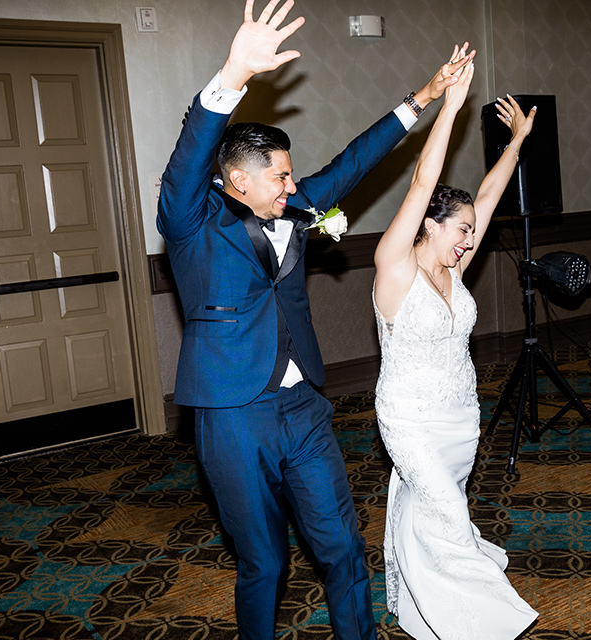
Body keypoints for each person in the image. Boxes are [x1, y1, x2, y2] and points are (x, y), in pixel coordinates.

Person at [156, 1, 468, 637]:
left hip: (303, 410)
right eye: (278, 175)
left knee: (343, 550)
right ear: (235, 180)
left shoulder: (293, 208)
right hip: (232, 415)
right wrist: (233, 76)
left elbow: (355, 160)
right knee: (264, 564)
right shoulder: (192, 222)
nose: (291, 184)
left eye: (291, 172)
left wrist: (428, 95)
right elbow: (187, 162)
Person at [371, 45, 539, 640]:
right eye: (462, 230)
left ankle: (416, 603)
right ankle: (484, 622)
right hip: (411, 417)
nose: (471, 240)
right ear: (429, 226)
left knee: (430, 508)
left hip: (459, 414)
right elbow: (422, 180)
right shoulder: (393, 266)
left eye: (472, 231)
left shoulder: (456, 269)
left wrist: (516, 142)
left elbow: (488, 196)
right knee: (446, 511)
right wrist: (451, 105)